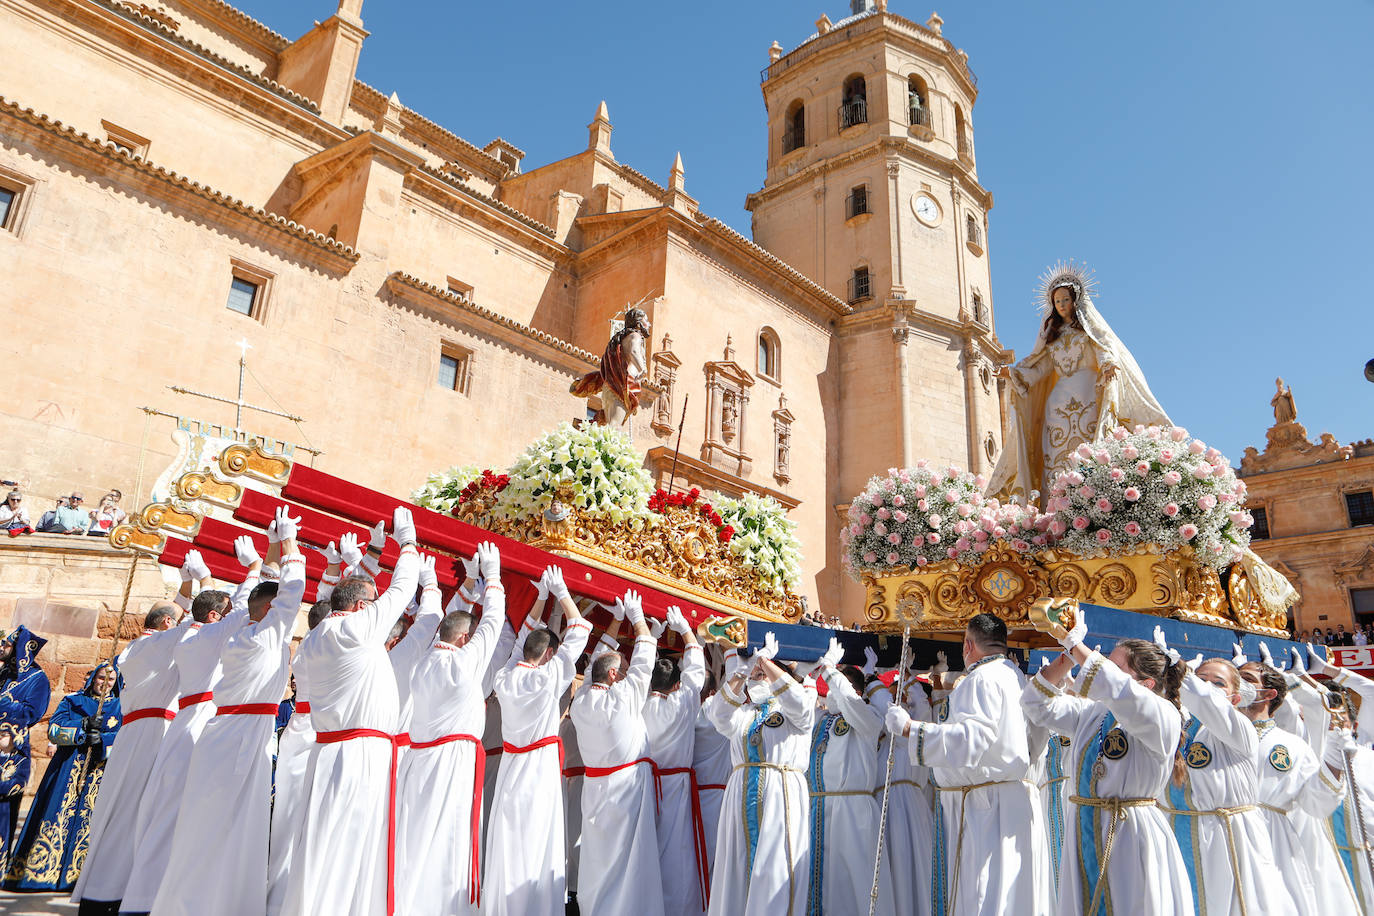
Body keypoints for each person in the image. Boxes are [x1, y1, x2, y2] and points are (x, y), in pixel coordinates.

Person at [149, 509, 307, 916]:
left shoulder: (233, 634)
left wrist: (265, 555)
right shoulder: (267, 633)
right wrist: (286, 543)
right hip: (243, 737)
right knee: (236, 827)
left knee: (205, 823)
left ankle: (186, 903)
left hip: (220, 732)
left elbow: (251, 599)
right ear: (271, 612)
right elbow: (290, 590)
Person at [280, 507, 421, 916]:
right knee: (351, 847)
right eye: (372, 602)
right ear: (361, 606)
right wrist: (407, 541)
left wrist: (370, 554)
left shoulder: (315, 639)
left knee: (324, 844)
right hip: (359, 753)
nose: (380, 607)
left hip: (329, 750)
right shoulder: (357, 628)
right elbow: (403, 587)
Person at [1021, 616, 1192, 916]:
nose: (1102, 670)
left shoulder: (1163, 715)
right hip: (1086, 826)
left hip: (1128, 832)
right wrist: (1066, 656)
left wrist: (1076, 645)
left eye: (1115, 666)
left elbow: (1118, 689)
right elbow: (1036, 704)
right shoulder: (1094, 713)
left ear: (1146, 683)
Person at [886, 614, 1052, 916]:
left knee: (981, 896)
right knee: (1009, 897)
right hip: (1008, 798)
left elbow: (972, 739)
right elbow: (1036, 738)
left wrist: (911, 727)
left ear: (968, 645)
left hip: (983, 807)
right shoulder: (1013, 675)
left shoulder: (980, 680)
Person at [118, 546, 239, 916]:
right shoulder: (179, 639)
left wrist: (189, 582)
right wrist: (202, 580)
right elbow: (205, 618)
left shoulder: (139, 650)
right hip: (171, 731)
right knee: (170, 812)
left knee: (146, 811)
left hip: (148, 733)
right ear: (169, 624)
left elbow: (193, 615)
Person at [987, 262, 1170, 500]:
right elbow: (1040, 368)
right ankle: (1057, 502)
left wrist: (1108, 365)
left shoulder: (1089, 331)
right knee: (1057, 455)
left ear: (1075, 300)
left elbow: (1104, 348)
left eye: (1065, 299)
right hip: (1058, 405)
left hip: (1088, 395)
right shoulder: (1051, 339)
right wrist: (1013, 374)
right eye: (1057, 301)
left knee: (1089, 448)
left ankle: (1093, 496)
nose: (1061, 305)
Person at [394, 543, 503, 915]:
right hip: (452, 763)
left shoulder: (421, 661)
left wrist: (473, 581)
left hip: (420, 759)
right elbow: (493, 622)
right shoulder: (464, 663)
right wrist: (495, 577)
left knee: (418, 838)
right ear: (463, 640)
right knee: (448, 841)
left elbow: (437, 622)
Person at [483, 565, 592, 916]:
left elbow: (520, 646)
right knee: (538, 840)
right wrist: (559, 591)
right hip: (538, 768)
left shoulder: (505, 677)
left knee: (510, 839)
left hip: (513, 766)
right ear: (548, 656)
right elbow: (579, 629)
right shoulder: (548, 678)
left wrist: (542, 597)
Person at [72, 602, 183, 916]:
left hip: (134, 736)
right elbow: (200, 624)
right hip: (148, 737)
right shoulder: (156, 644)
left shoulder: (138, 647)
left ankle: (112, 890)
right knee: (131, 815)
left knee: (120, 813)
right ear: (166, 623)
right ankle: (113, 892)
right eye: (177, 620)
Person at [1164, 653, 1294, 914]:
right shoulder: (1175, 727)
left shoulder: (1240, 728)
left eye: (1218, 683)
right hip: (1177, 829)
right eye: (1202, 679)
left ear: (1235, 698)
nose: (1208, 687)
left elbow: (1206, 702)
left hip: (1227, 836)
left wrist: (1179, 670)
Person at [1235, 658, 1359, 914]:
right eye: (1234, 678)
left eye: (1246, 679)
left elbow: (1316, 803)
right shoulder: (1208, 735)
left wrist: (1334, 764)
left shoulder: (1291, 744)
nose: (1237, 685)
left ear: (1270, 693)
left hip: (1272, 842)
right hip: (1223, 833)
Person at [703, 632, 814, 916]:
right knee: (736, 871)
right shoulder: (746, 714)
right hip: (740, 799)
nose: (758, 676)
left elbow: (798, 702)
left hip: (779, 797)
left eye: (761, 673)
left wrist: (766, 661)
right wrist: (742, 670)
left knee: (775, 870)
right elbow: (719, 715)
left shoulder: (795, 713)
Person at [570, 589, 663, 916]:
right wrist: (637, 619)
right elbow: (644, 661)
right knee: (630, 862)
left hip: (596, 791)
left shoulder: (580, 702)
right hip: (627, 792)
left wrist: (617, 620)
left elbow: (599, 663)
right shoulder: (622, 698)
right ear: (614, 676)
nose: (625, 672)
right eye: (621, 669)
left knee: (599, 860)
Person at [4, 662, 121, 892]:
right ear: (92, 678)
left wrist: (104, 742)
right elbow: (54, 730)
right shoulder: (73, 701)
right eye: (100, 678)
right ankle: (42, 873)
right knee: (56, 815)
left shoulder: (121, 707)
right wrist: (82, 728)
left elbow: (124, 736)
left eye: (110, 680)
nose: (104, 684)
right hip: (66, 771)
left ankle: (76, 878)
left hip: (99, 773)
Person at [809, 642, 894, 916]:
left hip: (853, 812)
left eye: (839, 685)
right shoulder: (820, 719)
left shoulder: (868, 718)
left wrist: (832, 671)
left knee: (856, 885)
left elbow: (851, 703)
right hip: (819, 811)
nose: (833, 690)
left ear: (855, 692)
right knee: (823, 886)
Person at [645, 607, 708, 916]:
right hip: (677, 787)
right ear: (675, 686)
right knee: (678, 855)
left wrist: (652, 639)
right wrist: (687, 632)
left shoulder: (638, 704)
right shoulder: (681, 703)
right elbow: (697, 674)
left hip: (646, 787)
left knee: (652, 851)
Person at [0, 625, 52, 860]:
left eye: (7, 644)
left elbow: (32, 712)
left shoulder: (37, 678)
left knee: (3, 811)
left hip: (10, 753)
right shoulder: (3, 674)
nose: (2, 647)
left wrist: (3, 705)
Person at [569, 305, 650, 427]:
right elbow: (634, 350)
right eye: (646, 320)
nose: (649, 324)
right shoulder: (635, 336)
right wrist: (642, 368)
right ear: (638, 323)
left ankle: (589, 430)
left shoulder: (621, 339)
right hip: (623, 385)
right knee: (614, 426)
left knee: (609, 424)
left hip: (611, 387)